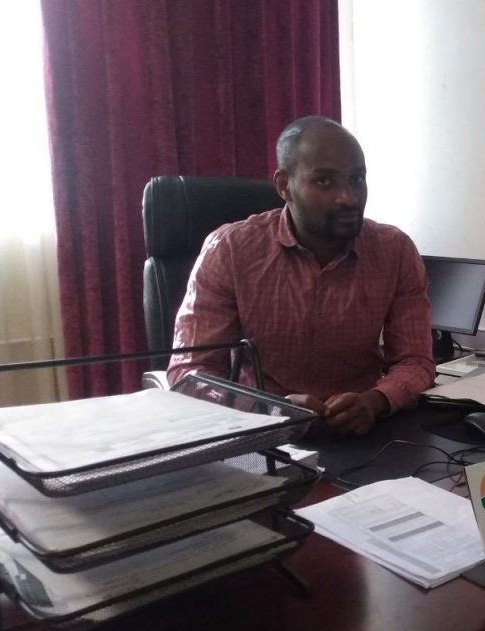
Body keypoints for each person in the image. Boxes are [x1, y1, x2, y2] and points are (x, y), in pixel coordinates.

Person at [167, 116, 435, 435]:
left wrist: (377, 400)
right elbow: (190, 374)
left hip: (363, 431)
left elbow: (416, 361)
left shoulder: (395, 251)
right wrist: (269, 408)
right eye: (325, 182)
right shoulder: (230, 250)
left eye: (357, 179)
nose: (348, 197)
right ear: (284, 186)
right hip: (261, 433)